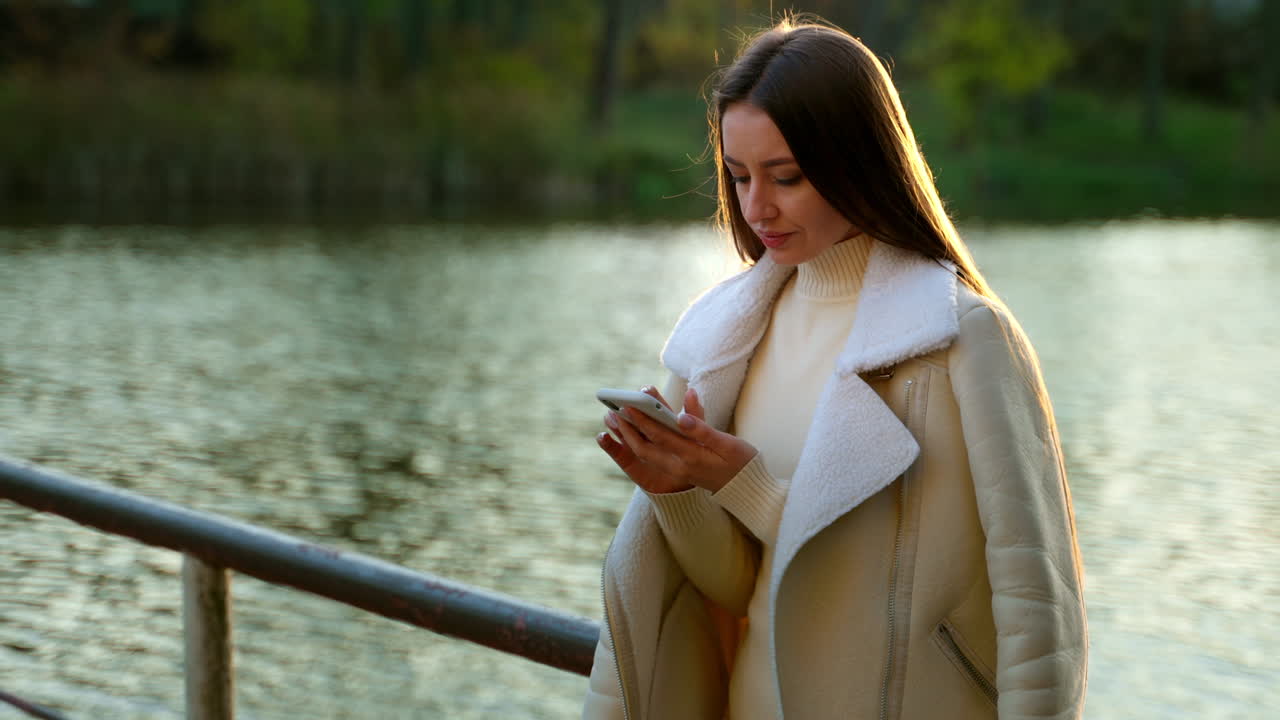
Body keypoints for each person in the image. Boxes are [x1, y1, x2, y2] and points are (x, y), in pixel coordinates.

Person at [582, 17, 1087, 720]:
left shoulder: (964, 338)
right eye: (738, 175)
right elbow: (744, 591)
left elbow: (1040, 613)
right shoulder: (719, 338)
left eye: (785, 176)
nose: (757, 207)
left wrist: (748, 484)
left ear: (858, 159)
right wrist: (680, 491)